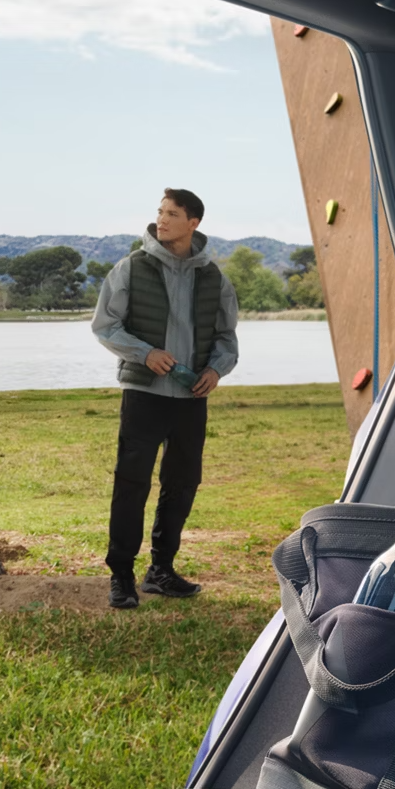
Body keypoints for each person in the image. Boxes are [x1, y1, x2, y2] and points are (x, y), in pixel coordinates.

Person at [90, 187, 240, 609]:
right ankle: (121, 575)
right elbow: (105, 326)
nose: (162, 220)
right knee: (131, 483)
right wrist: (145, 353)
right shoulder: (130, 269)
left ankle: (161, 571)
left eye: (172, 213)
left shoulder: (214, 278)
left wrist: (215, 370)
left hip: (191, 398)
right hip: (144, 393)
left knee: (182, 484)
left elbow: (227, 338)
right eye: (160, 212)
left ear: (193, 222)